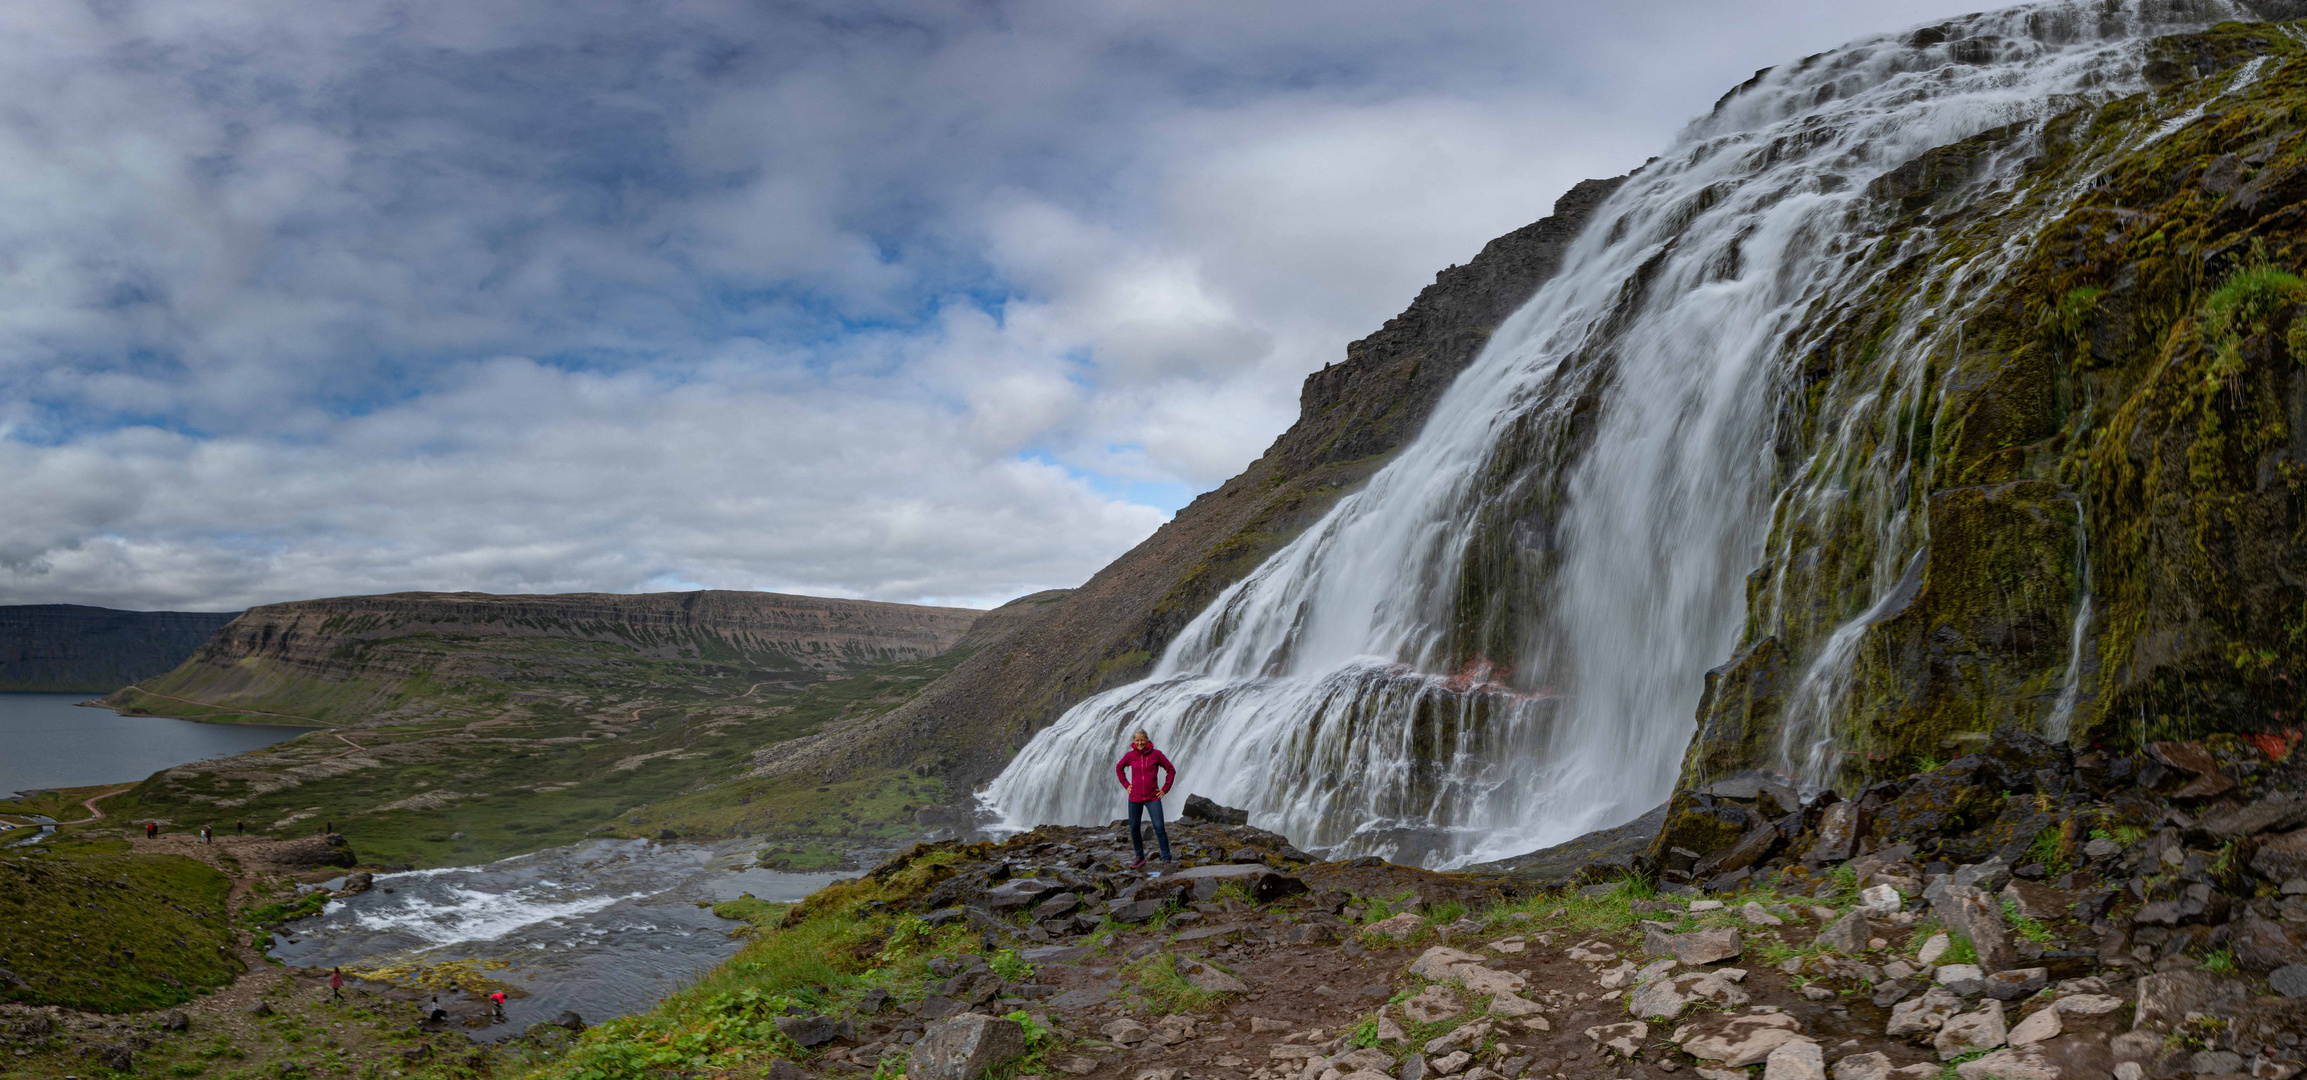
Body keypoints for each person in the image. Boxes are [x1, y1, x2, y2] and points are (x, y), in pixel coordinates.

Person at [1113, 730, 1176, 868]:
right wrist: (1126, 785)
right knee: (1134, 828)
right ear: (1134, 742)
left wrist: (1165, 789)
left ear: (1147, 739)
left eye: (1142, 740)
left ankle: (1166, 858)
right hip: (1134, 798)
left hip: (1153, 798)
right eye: (1137, 741)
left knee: (1159, 828)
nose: (1140, 743)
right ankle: (1139, 857)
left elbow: (1171, 769)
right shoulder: (1130, 756)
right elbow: (1119, 768)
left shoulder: (1156, 755)